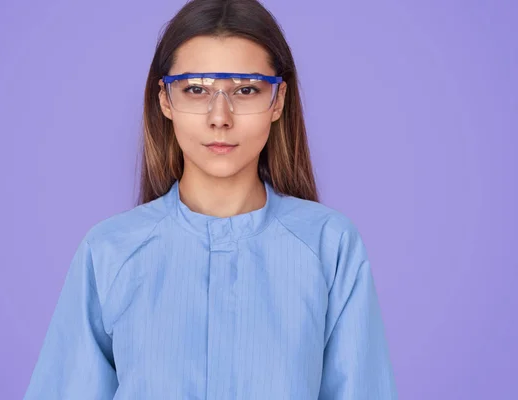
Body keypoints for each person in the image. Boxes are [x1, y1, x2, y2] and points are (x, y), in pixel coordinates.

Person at [24, 0, 397, 398]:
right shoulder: (109, 252)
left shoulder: (330, 247)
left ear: (279, 100)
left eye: (247, 89)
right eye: (197, 90)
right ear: (165, 100)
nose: (220, 116)